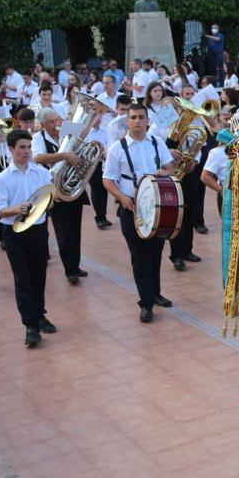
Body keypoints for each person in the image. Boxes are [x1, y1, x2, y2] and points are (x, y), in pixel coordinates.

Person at [101, 103, 175, 323]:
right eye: (133, 117)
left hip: (157, 204)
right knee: (140, 256)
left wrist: (166, 172)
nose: (137, 121)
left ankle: (155, 292)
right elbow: (107, 179)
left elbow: (170, 167)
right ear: (127, 120)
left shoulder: (157, 142)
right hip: (131, 206)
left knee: (155, 252)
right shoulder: (117, 148)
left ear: (147, 120)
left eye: (141, 117)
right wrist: (122, 198)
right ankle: (146, 303)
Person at [0, 130, 56, 348]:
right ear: (11, 149)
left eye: (29, 147)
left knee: (39, 275)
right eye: (22, 147)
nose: (27, 152)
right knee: (22, 279)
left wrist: (48, 203)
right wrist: (16, 209)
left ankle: (39, 314)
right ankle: (30, 325)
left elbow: (50, 199)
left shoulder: (41, 173)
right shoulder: (2, 178)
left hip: (37, 230)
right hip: (14, 233)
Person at [31, 109, 87, 284]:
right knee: (64, 233)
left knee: (75, 230)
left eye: (57, 120)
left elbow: (81, 148)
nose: (56, 124)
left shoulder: (67, 132)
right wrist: (64, 155)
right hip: (54, 190)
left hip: (72, 187)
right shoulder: (37, 138)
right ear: (42, 124)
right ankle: (70, 270)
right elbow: (38, 158)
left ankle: (76, 265)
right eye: (51, 122)